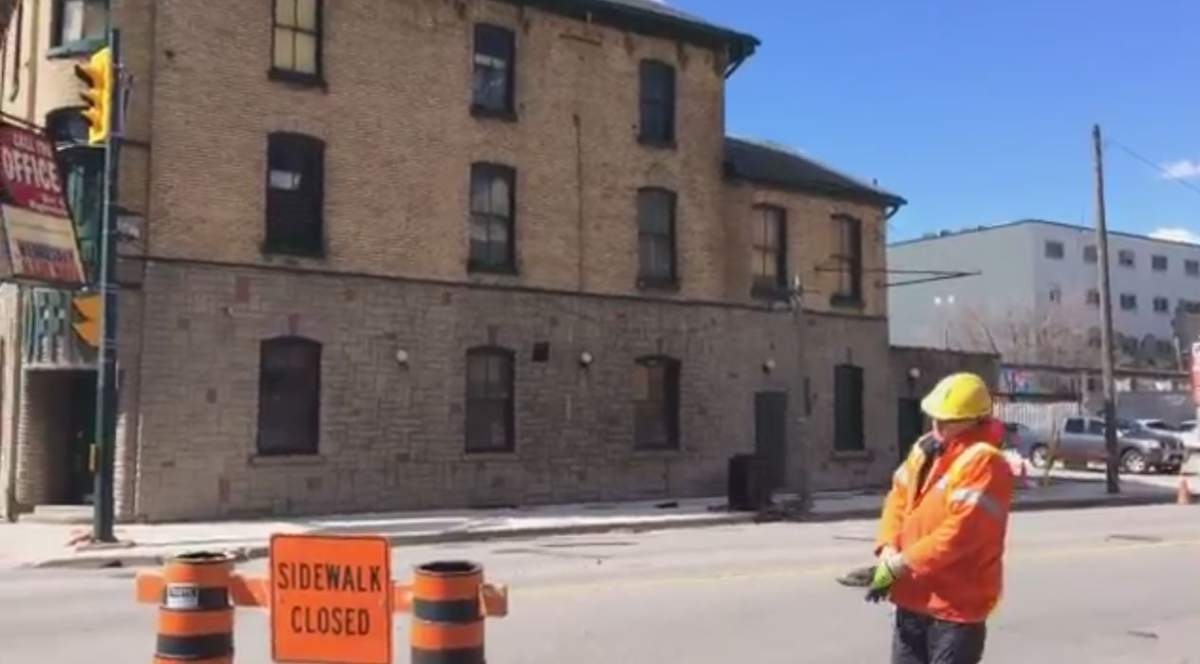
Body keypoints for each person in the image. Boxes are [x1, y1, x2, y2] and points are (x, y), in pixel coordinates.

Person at [867, 372, 1014, 664]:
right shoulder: (926, 450)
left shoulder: (984, 461)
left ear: (974, 419)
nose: (937, 425)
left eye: (947, 420)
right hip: (912, 599)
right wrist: (887, 548)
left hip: (956, 610)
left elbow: (959, 535)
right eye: (935, 417)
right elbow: (898, 498)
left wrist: (901, 564)